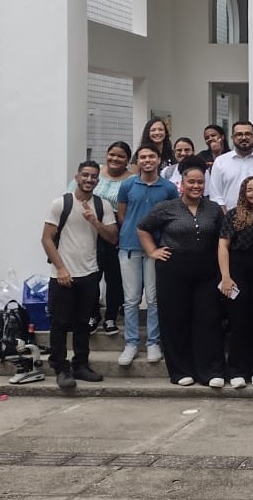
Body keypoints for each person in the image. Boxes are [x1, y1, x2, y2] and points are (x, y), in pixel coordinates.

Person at [137, 158, 226, 387]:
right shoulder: (167, 208)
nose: (196, 186)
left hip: (206, 271)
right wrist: (153, 251)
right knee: (175, 320)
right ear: (182, 184)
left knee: (207, 320)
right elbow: (143, 228)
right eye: (191, 182)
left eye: (200, 182)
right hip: (173, 271)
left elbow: (223, 239)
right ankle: (180, 371)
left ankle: (210, 371)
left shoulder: (214, 209)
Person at [41, 160, 118, 390]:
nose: (89, 180)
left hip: (90, 272)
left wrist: (94, 220)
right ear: (77, 177)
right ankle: (60, 368)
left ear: (98, 180)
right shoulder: (60, 203)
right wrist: (61, 268)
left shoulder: (101, 204)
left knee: (84, 323)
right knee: (60, 323)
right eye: (85, 175)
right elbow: (46, 239)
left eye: (94, 177)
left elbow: (112, 237)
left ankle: (81, 365)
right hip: (62, 274)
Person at [116, 144, 179, 366]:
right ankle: (131, 343)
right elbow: (123, 215)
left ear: (159, 159)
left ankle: (153, 342)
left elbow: (173, 218)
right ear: (138, 160)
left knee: (153, 299)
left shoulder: (169, 188)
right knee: (131, 299)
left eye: (151, 156)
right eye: (143, 157)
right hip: (129, 247)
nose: (147, 160)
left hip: (157, 250)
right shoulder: (127, 185)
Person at [70, 140, 132, 337]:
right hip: (88, 232)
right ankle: (93, 315)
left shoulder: (132, 179)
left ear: (127, 160)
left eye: (121, 156)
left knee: (115, 277)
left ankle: (111, 316)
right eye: (112, 154)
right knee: (92, 276)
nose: (115, 159)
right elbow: (72, 197)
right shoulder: (93, 175)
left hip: (117, 232)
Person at [218, 175, 253, 388]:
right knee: (237, 322)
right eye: (249, 190)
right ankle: (236, 371)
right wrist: (225, 276)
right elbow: (223, 246)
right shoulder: (233, 215)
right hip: (237, 271)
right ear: (243, 193)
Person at [207, 120, 253, 211]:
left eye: (248, 134)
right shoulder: (220, 162)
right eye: (239, 134)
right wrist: (226, 219)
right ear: (232, 137)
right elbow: (216, 196)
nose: (243, 137)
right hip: (228, 219)